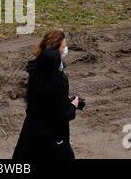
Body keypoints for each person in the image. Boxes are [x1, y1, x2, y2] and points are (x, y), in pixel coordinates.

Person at [13, 29, 82, 159]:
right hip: (53, 138)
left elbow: (44, 101)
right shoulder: (56, 80)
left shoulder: (37, 69)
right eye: (63, 46)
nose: (65, 49)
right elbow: (62, 115)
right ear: (56, 50)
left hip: (31, 133)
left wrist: (63, 98)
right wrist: (73, 104)